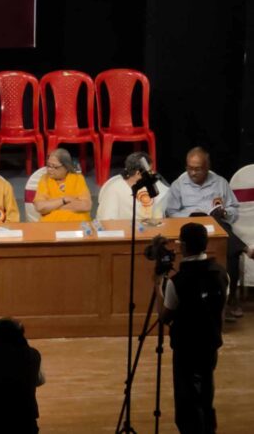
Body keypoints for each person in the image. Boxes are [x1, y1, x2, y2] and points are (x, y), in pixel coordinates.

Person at [165, 147, 252, 320]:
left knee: (228, 247)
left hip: (216, 228)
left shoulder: (220, 183)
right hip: (190, 229)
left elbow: (234, 210)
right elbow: (170, 212)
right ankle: (243, 248)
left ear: (207, 167)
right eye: (189, 168)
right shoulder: (178, 185)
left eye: (197, 169)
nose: (192, 173)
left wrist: (224, 212)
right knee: (224, 237)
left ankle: (230, 300)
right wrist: (192, 215)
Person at [156, 222, 228, 434]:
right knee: (206, 391)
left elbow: (165, 316)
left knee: (186, 398)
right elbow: (220, 307)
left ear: (183, 246)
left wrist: (157, 282)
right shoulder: (222, 273)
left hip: (186, 347)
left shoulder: (177, 282)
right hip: (210, 343)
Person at [97, 152, 168, 221]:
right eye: (149, 170)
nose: (152, 173)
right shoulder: (114, 189)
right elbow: (107, 220)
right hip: (125, 228)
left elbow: (164, 201)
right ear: (138, 173)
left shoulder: (151, 182)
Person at [33, 148, 92, 222]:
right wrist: (65, 200)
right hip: (51, 224)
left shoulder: (78, 178)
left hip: (77, 223)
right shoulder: (45, 179)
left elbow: (86, 206)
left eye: (55, 167)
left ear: (66, 167)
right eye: (48, 165)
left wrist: (51, 205)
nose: (50, 169)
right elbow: (40, 207)